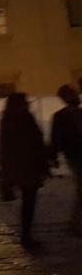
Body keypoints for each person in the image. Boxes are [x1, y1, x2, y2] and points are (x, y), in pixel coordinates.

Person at [0, 92, 51, 248]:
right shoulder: (26, 118)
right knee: (29, 201)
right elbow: (36, 142)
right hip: (29, 165)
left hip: (17, 166)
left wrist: (5, 169)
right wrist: (44, 162)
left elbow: (4, 147)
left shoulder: (6, 120)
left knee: (27, 202)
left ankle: (26, 233)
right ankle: (26, 234)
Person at [50, 85, 82, 236]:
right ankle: (74, 223)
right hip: (75, 155)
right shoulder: (60, 116)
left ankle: (75, 223)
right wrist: (54, 156)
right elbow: (55, 138)